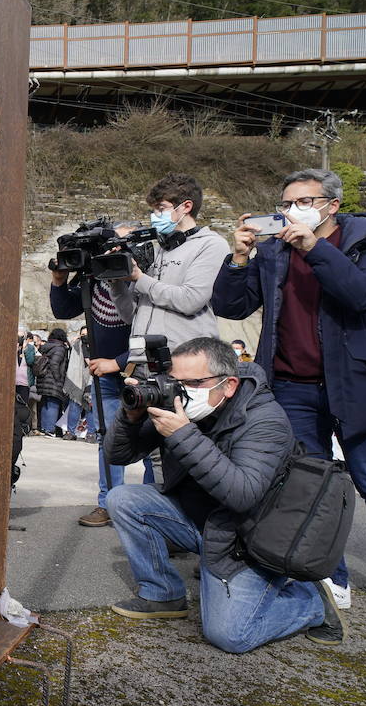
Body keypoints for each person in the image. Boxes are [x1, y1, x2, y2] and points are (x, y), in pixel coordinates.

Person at [212, 167, 366, 631]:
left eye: (304, 201)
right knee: (308, 485)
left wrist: (314, 250)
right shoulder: (273, 251)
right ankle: (332, 575)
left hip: (357, 384)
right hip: (292, 386)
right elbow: (231, 307)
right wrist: (238, 258)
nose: (293, 210)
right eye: (286, 202)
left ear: (332, 205)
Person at [103, 337, 345, 652]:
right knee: (124, 499)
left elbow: (242, 494)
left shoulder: (264, 420)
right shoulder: (179, 402)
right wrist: (129, 417)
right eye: (176, 382)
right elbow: (117, 456)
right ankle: (162, 593)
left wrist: (182, 434)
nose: (181, 390)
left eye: (194, 382)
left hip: (249, 540)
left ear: (228, 385)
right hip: (206, 523)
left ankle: (310, 603)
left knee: (230, 635)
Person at [50, 264, 156, 527]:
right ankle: (108, 503)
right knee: (108, 437)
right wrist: (59, 280)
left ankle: (152, 509)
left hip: (142, 368)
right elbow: (63, 310)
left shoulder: (147, 276)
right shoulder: (94, 279)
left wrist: (118, 362)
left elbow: (153, 328)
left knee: (153, 440)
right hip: (104, 375)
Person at [109, 173, 231, 360]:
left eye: (161, 208)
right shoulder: (156, 250)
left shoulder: (212, 245)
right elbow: (129, 315)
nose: (154, 216)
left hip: (185, 360)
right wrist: (116, 280)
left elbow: (190, 300)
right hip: (141, 360)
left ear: (186, 207)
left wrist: (140, 278)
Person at [33, 328, 70, 436]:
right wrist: (58, 378)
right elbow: (54, 364)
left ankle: (45, 428)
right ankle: (50, 429)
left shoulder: (45, 347)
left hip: (43, 379)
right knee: (53, 404)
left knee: (45, 403)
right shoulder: (60, 348)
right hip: (53, 380)